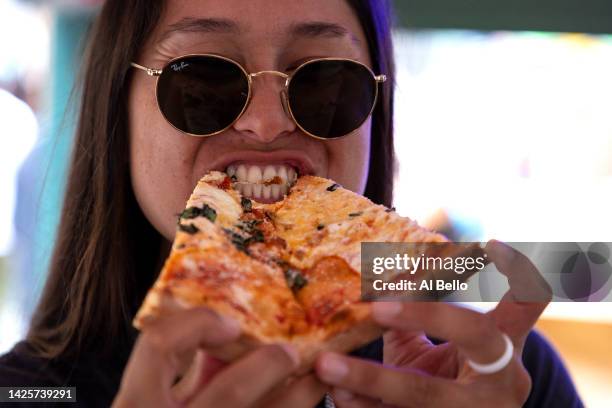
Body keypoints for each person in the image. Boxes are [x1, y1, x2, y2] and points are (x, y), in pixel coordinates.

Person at [0, 1, 583, 407]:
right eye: (203, 77)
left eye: (324, 79)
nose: (267, 122)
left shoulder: (496, 379)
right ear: (116, 110)